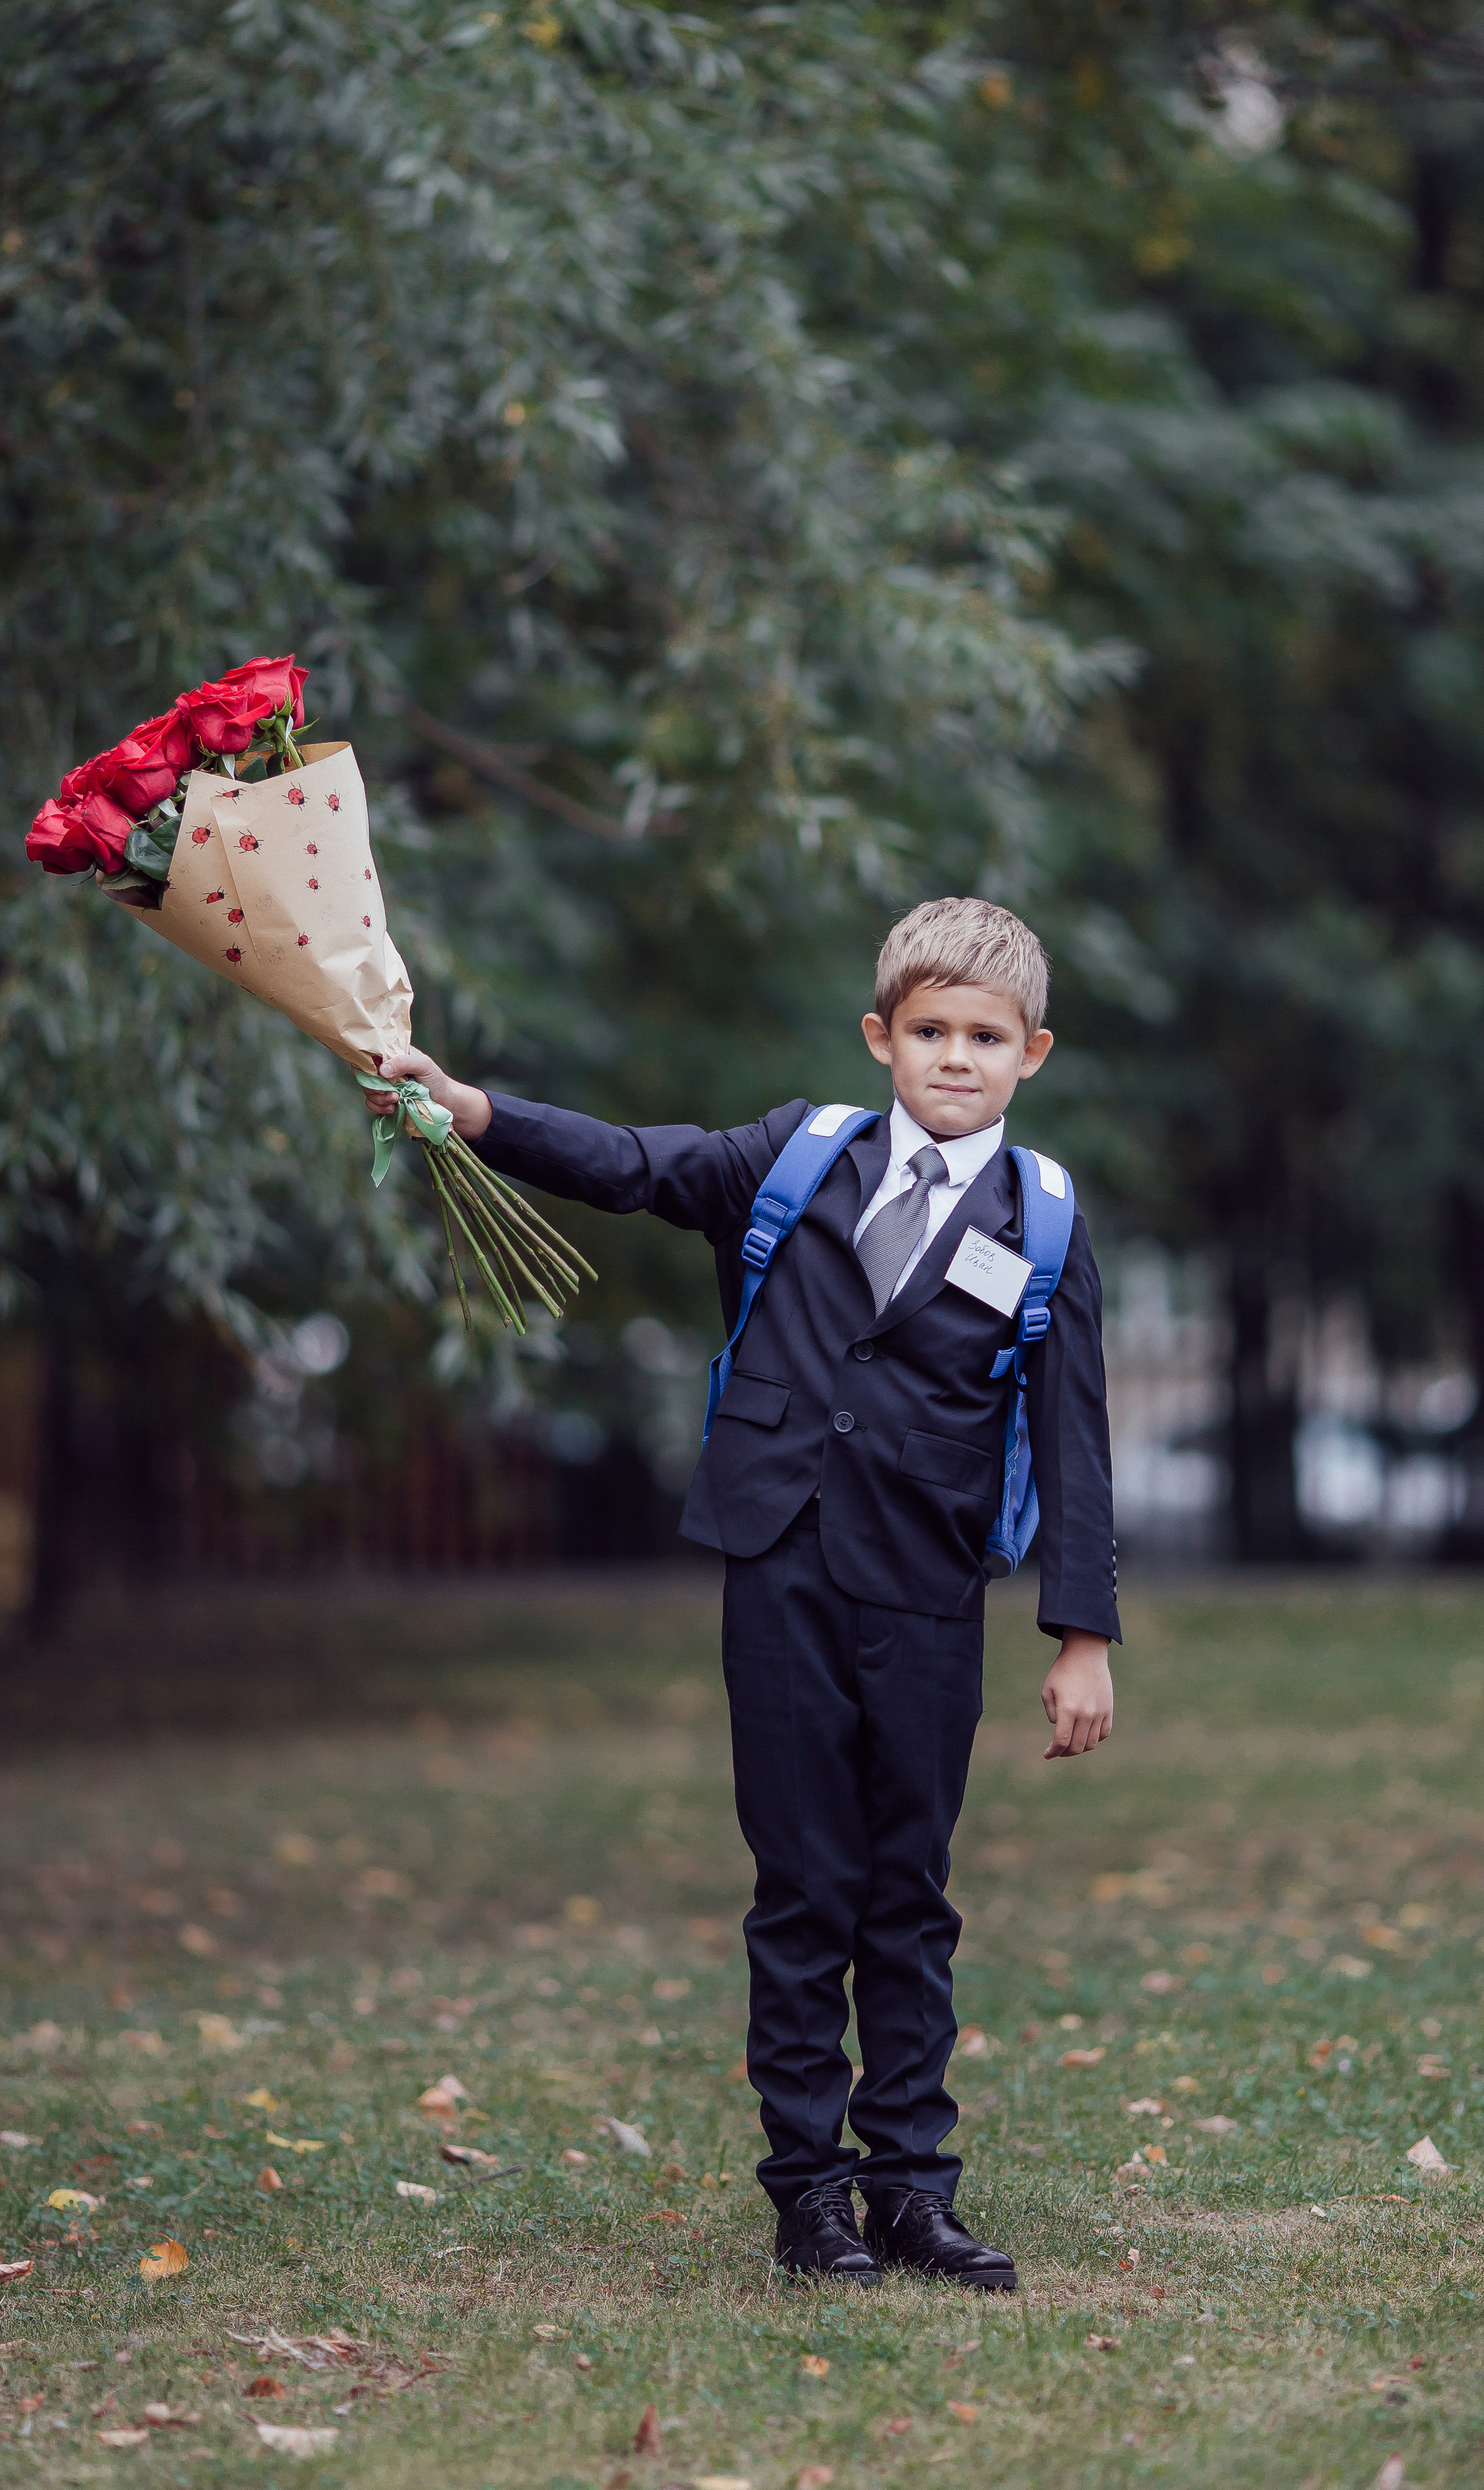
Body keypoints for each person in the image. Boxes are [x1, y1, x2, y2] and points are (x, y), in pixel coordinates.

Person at [367, 895, 1118, 2288]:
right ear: (879, 1037)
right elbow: (631, 1166)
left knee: (908, 1892)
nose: (955, 1057)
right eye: (931, 1030)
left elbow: (1075, 1442)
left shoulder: (1049, 1223)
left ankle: (911, 2189)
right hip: (778, 1566)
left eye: (986, 1037)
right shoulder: (795, 1156)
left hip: (925, 1588)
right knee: (804, 1886)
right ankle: (808, 2196)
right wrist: (471, 1108)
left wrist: (1079, 1634)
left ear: (1032, 1053)